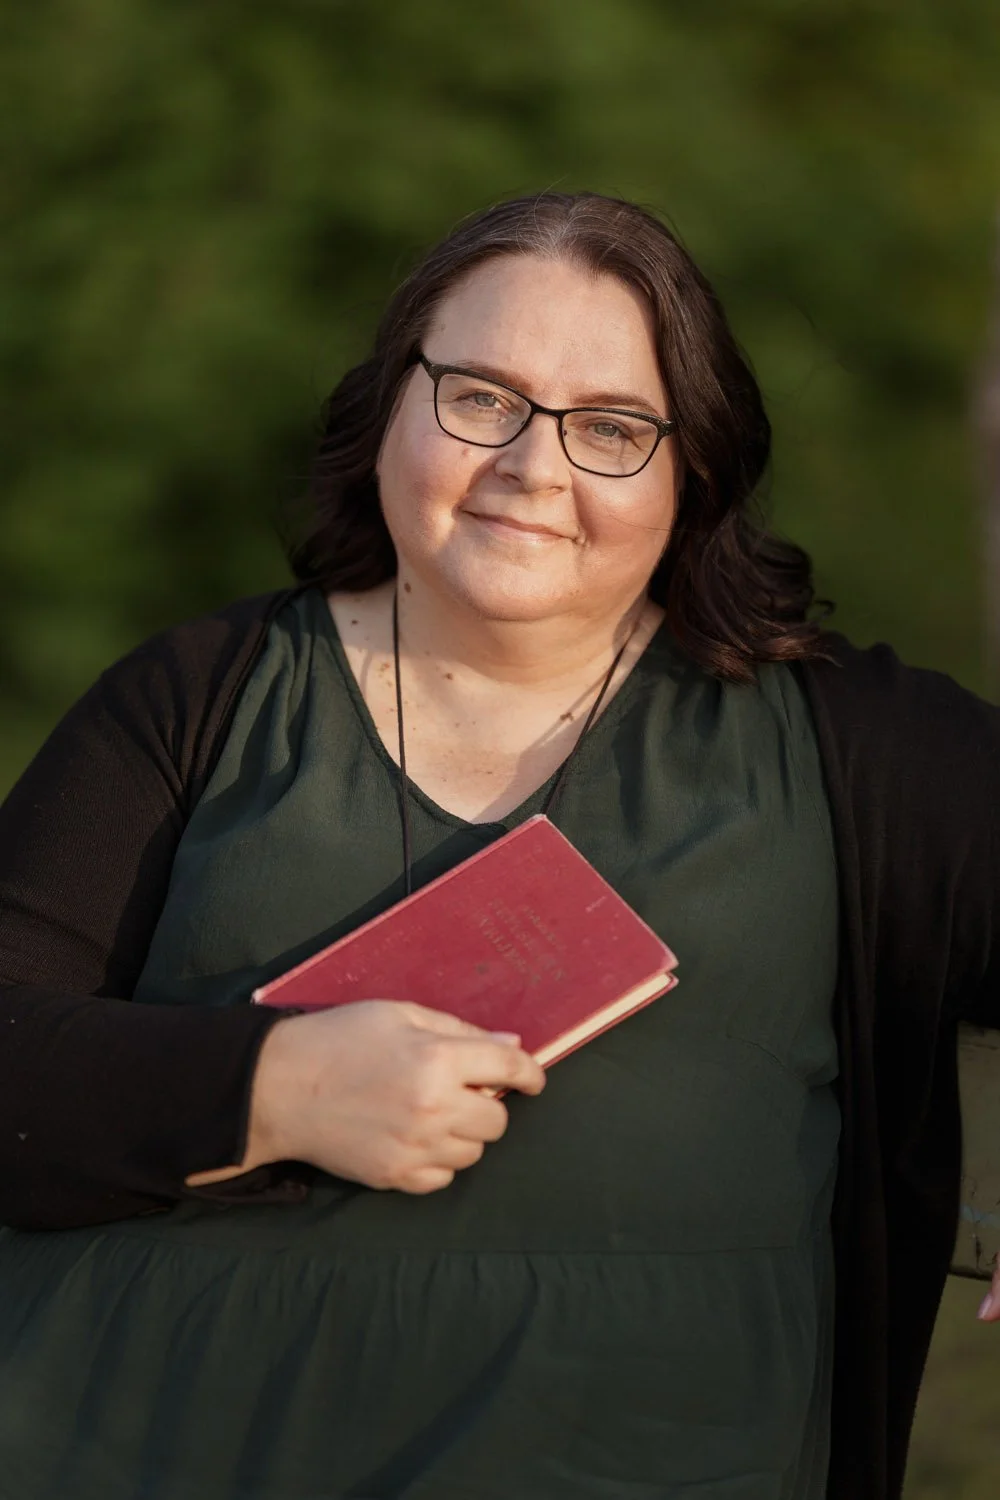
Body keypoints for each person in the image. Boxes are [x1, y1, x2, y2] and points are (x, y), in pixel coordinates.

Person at [0, 191, 997, 1500]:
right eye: (481, 396)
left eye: (612, 428)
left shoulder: (860, 753)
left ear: (693, 467)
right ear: (388, 411)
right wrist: (272, 1082)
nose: (537, 465)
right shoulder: (201, 694)